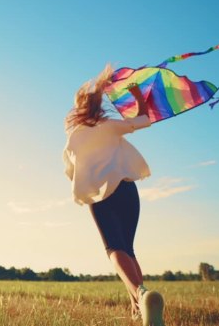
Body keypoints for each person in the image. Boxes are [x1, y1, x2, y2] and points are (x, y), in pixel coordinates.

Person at [62, 65, 165, 326]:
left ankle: (141, 296)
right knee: (128, 249)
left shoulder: (74, 136)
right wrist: (138, 96)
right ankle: (139, 306)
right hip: (128, 189)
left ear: (77, 110)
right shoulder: (110, 126)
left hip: (101, 196)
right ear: (100, 107)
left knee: (114, 248)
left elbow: (70, 171)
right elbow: (144, 120)